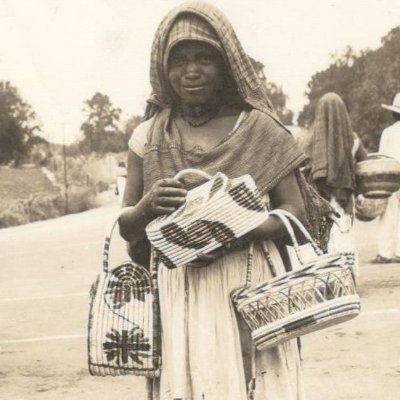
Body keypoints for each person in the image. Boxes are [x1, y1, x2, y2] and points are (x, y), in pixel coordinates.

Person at [118, 2, 311, 398]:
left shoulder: (262, 130)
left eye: (204, 58)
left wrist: (236, 231)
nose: (191, 71)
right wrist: (148, 205)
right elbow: (127, 226)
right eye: (180, 61)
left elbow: (297, 215)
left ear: (226, 65)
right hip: (178, 290)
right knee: (190, 383)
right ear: (163, 69)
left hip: (248, 282)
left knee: (251, 382)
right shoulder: (148, 137)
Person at [303, 93, 368, 278]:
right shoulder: (353, 139)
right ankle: (347, 276)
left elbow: (303, 169)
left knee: (322, 240)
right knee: (344, 234)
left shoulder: (311, 140)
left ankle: (328, 278)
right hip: (344, 198)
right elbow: (365, 164)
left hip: (318, 200)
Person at [374, 92, 400, 263]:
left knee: (388, 213)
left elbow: (381, 159)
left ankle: (385, 252)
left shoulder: (388, 133)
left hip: (390, 178)